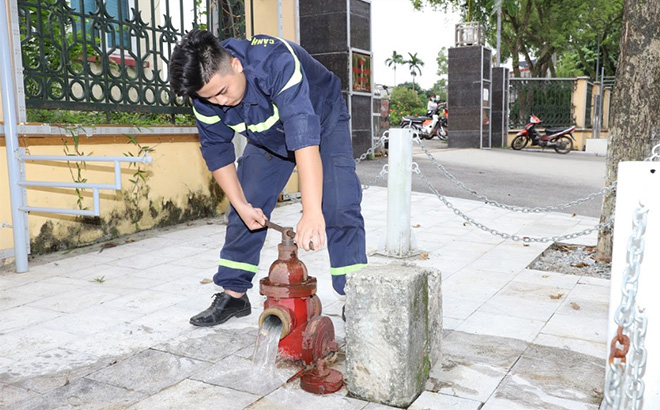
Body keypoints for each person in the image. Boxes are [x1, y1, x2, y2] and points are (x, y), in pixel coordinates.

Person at [168, 30, 367, 327]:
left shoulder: (275, 62)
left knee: (339, 203)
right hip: (268, 138)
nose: (219, 102)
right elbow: (217, 152)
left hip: (322, 122)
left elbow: (304, 138)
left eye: (222, 92)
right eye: (209, 97)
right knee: (246, 203)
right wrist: (241, 204)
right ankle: (234, 295)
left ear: (235, 64)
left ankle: (357, 296)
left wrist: (311, 212)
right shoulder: (207, 95)